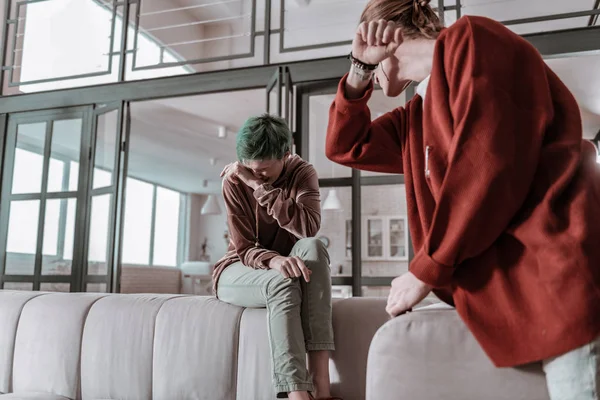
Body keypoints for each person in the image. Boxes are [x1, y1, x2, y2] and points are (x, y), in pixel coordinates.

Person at [325, 0, 600, 399]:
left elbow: (488, 164)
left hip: (558, 280)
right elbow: (344, 146)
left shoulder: (473, 41)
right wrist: (359, 71)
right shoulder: (413, 119)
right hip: (513, 301)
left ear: (384, 33)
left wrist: (426, 268)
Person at [214, 114, 340, 400]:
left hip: (284, 264)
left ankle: (322, 386)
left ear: (286, 155)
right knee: (281, 283)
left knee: (314, 247)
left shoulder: (302, 172)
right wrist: (274, 260)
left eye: (265, 171)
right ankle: (297, 393)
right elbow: (244, 248)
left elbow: (308, 228)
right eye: (250, 169)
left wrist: (261, 189)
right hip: (238, 268)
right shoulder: (234, 181)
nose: (256, 174)